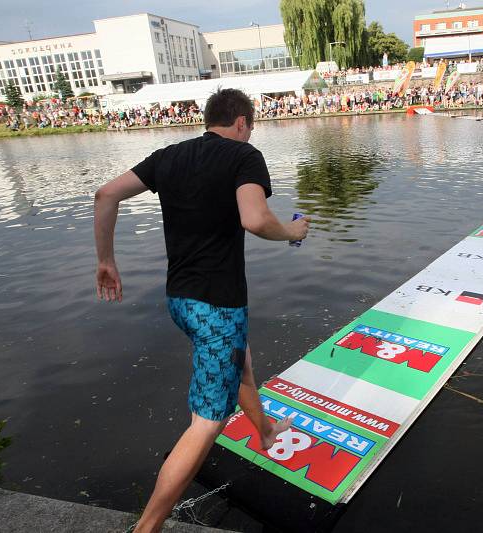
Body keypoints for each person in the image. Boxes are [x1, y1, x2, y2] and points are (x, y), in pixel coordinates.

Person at [93, 88, 310, 533]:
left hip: (180, 299)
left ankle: (265, 430)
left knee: (239, 359)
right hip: (217, 306)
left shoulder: (169, 155)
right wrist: (291, 231)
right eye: (250, 128)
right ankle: (147, 527)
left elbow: (105, 195)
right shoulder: (244, 156)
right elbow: (254, 218)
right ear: (242, 123)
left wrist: (106, 261)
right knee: (206, 424)